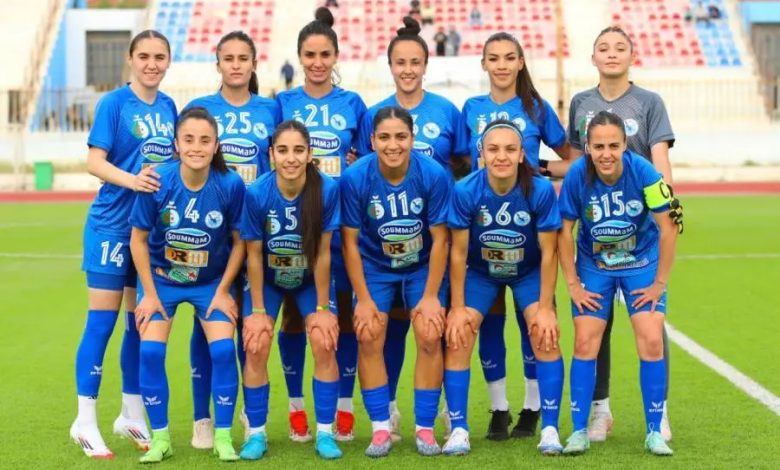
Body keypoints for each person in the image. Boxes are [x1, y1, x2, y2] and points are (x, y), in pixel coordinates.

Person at [356, 16, 467, 441]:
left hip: (427, 248)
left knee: (431, 327)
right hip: (378, 252)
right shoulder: (373, 116)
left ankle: (432, 419)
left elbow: (463, 165)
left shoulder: (446, 113)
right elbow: (360, 178)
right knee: (376, 331)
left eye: (415, 61)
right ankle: (383, 419)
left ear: (425, 64)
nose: (407, 69)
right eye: (400, 62)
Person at [568, 25, 680, 443]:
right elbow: (577, 166)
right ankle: (600, 411)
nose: (612, 53)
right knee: (595, 328)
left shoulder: (649, 102)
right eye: (603, 47)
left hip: (640, 230)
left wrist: (663, 205)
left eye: (620, 47)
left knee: (650, 324)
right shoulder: (581, 102)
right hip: (597, 237)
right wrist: (532, 167)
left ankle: (659, 413)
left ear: (633, 56)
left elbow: (660, 165)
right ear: (593, 57)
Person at [70, 29, 177, 459]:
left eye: (160, 57)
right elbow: (94, 161)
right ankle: (84, 420)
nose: (152, 64)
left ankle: (131, 413)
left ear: (168, 61)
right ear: (131, 59)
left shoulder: (169, 107)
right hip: (112, 227)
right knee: (102, 322)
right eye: (144, 56)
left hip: (146, 233)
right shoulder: (114, 104)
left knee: (140, 321)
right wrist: (133, 181)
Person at [460, 31, 570, 442]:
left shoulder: (536, 108)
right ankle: (498, 409)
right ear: (484, 64)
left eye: (510, 57)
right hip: (483, 233)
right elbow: (460, 162)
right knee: (489, 325)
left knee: (533, 325)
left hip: (527, 233)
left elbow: (573, 160)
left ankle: (533, 408)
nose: (502, 65)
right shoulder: (471, 108)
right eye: (494, 58)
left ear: (521, 62)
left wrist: (538, 169)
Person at [129, 106, 246, 463]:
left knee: (223, 351)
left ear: (216, 146)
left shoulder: (230, 184)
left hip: (210, 283)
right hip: (162, 281)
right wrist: (149, 294)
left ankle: (222, 436)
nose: (197, 147)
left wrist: (223, 290)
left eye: (205, 140)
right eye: (189, 139)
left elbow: (240, 242)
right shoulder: (157, 181)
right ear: (176, 144)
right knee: (150, 352)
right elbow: (138, 240)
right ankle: (161, 439)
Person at [443, 119, 563, 456]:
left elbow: (550, 252)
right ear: (481, 153)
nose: (501, 156)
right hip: (481, 273)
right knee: (459, 334)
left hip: (527, 271)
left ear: (522, 154)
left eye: (510, 149)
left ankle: (550, 428)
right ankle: (459, 429)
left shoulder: (539, 190)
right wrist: (457, 308)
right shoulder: (466, 190)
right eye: (493, 149)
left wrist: (545, 308)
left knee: (544, 332)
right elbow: (458, 254)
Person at [184, 30, 281, 449]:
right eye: (229, 58)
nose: (236, 65)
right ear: (218, 63)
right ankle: (202, 418)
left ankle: (248, 413)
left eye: (244, 58)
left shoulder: (271, 109)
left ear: (254, 64)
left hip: (257, 232)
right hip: (211, 234)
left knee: (248, 326)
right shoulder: (200, 109)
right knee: (206, 321)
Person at [275, 6, 367, 442]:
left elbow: (364, 161)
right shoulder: (283, 103)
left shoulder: (353, 105)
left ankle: (343, 408)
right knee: (295, 320)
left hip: (342, 226)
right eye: (309, 54)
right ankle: (297, 409)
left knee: (340, 319)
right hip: (293, 231)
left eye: (324, 54)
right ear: (299, 56)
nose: (317, 62)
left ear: (335, 56)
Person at [341, 106, 450, 457]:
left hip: (421, 266)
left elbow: (441, 239)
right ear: (372, 140)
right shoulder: (355, 177)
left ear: (412, 139)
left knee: (430, 333)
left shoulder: (432, 174)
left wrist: (431, 296)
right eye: (385, 137)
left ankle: (425, 429)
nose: (393, 145)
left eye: (401, 137)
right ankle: (380, 429)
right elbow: (349, 243)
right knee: (368, 333)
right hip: (375, 266)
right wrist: (363, 299)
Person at [239, 120, 343, 460]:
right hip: (268, 280)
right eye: (283, 150)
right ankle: (256, 433)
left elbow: (324, 253)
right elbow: (253, 255)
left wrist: (324, 308)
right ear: (271, 154)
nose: (291, 158)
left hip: (309, 280)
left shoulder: (326, 189)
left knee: (324, 340)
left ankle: (325, 432)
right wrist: (257, 312)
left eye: (299, 150)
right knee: (256, 343)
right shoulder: (257, 193)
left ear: (310, 154)